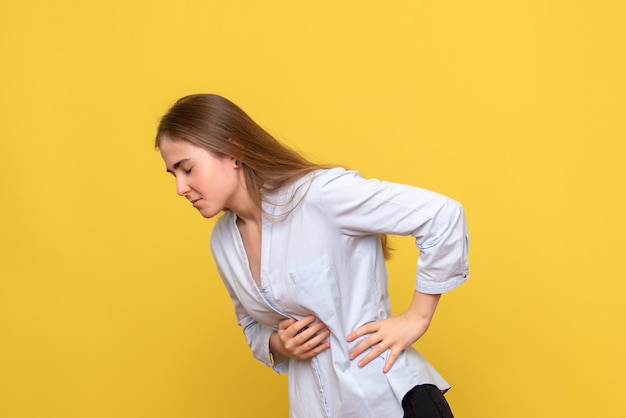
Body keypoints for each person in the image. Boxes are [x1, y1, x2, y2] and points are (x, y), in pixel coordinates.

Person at [155, 94, 469, 418]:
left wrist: (416, 318)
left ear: (233, 151)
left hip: (389, 400)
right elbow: (249, 324)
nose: (180, 188)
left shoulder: (319, 195)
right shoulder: (222, 242)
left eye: (187, 169)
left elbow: (442, 216)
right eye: (173, 175)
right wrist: (279, 344)